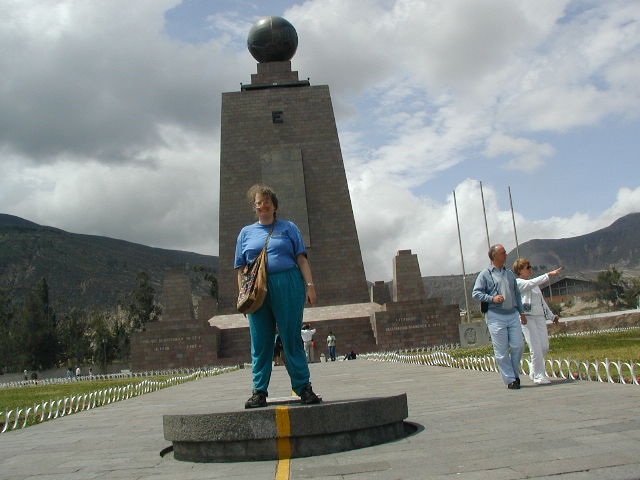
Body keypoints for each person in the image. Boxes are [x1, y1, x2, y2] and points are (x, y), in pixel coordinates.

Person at [235, 184, 321, 408]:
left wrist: (310, 285)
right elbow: (241, 268)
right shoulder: (246, 233)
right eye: (259, 203)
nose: (263, 206)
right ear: (255, 207)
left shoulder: (289, 228)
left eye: (266, 202)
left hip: (288, 284)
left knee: (291, 337)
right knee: (261, 342)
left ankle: (303, 388)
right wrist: (243, 297)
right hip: (257, 290)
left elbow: (301, 258)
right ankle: (259, 391)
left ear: (274, 205)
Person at [472, 244, 527, 389]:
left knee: (518, 346)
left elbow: (517, 294)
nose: (506, 255)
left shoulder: (509, 273)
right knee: (501, 351)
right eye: (503, 253)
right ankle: (510, 380)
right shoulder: (485, 274)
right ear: (494, 256)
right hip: (495, 316)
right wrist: (492, 298)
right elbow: (476, 293)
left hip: (513, 314)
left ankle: (515, 373)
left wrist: (521, 312)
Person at [513, 259, 563, 384]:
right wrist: (549, 275)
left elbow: (542, 302)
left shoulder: (534, 285)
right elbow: (530, 283)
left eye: (530, 267)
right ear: (519, 271)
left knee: (544, 346)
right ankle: (539, 376)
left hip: (539, 317)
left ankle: (533, 369)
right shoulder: (518, 283)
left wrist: (552, 316)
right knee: (535, 347)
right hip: (527, 317)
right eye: (527, 267)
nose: (530, 269)